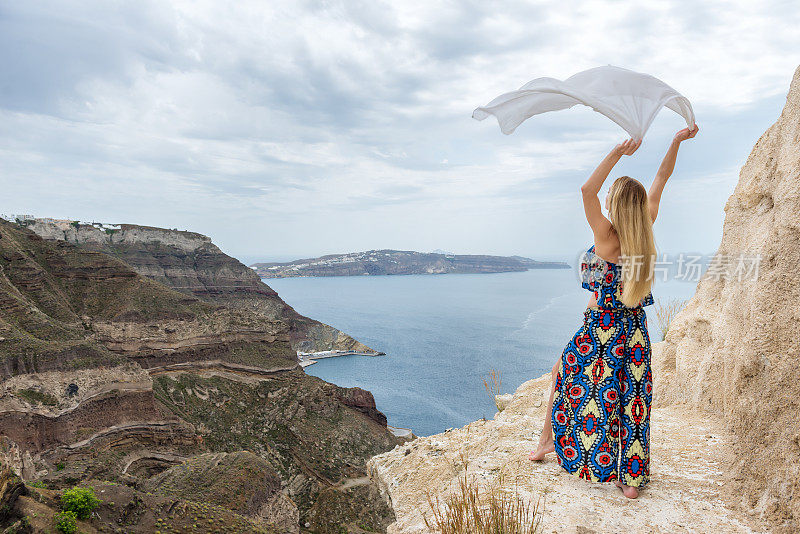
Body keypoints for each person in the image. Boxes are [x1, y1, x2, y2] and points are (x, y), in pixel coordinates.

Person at [528, 125, 699, 499]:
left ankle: (546, 443)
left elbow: (587, 189)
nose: (604, 196)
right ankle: (630, 479)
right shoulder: (645, 227)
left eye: (611, 193)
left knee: (563, 374)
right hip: (635, 330)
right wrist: (674, 143)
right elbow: (661, 177)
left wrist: (618, 152)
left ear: (616, 203)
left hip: (601, 327)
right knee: (631, 398)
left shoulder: (606, 236)